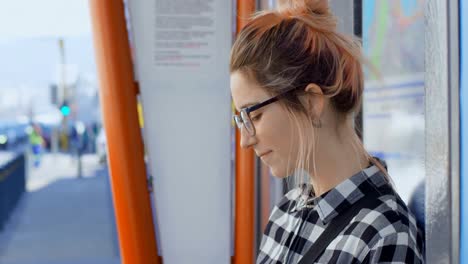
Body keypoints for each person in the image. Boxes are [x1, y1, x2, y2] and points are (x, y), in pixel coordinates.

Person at [230, 0, 424, 263]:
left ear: (310, 102)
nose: (246, 140)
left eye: (255, 114)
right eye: (242, 119)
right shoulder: (285, 212)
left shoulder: (385, 234)